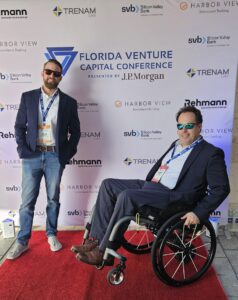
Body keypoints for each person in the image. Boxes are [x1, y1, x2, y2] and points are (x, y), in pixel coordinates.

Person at [72, 105, 230, 266]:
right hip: (152, 187)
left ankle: (104, 251)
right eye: (180, 126)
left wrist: (198, 213)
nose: (184, 130)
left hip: (174, 196)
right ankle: (96, 240)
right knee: (108, 185)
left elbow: (222, 189)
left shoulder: (211, 153)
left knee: (127, 196)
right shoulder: (176, 144)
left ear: (199, 126)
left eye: (189, 126)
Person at [7, 59, 80, 260]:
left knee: (53, 200)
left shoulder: (68, 102)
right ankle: (22, 241)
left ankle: (51, 234)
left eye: (56, 74)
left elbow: (75, 133)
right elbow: (19, 126)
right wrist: (22, 150)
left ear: (60, 78)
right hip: (31, 156)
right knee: (27, 202)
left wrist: (64, 155)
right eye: (49, 72)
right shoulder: (28, 97)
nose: (52, 76)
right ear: (42, 73)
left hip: (54, 156)